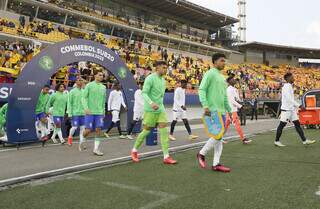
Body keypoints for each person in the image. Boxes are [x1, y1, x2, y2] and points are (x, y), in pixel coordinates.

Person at [130, 60, 177, 164]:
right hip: (150, 110)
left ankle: (166, 156)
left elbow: (160, 96)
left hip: (160, 110)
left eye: (166, 68)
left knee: (164, 131)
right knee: (146, 131)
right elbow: (144, 93)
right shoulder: (150, 78)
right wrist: (151, 103)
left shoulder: (163, 80)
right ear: (157, 68)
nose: (165, 70)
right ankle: (134, 151)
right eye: (163, 67)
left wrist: (160, 105)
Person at [197, 53, 232, 173]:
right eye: (222, 60)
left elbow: (224, 96)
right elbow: (201, 89)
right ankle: (201, 153)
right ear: (215, 62)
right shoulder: (210, 73)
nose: (224, 63)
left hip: (221, 111)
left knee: (219, 137)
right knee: (218, 135)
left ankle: (216, 163)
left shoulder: (222, 77)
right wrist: (205, 105)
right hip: (212, 110)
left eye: (225, 61)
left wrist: (230, 110)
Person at [274, 72, 316, 147]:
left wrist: (295, 107)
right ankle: (276, 141)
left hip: (291, 109)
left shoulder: (289, 86)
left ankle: (304, 140)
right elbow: (289, 99)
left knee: (297, 124)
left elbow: (291, 99)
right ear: (287, 78)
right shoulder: (286, 86)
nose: (293, 78)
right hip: (286, 110)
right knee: (282, 125)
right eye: (292, 77)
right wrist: (299, 105)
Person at [82, 71, 106, 156]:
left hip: (99, 113)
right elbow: (83, 98)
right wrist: (86, 108)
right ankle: (83, 138)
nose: (101, 76)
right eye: (99, 75)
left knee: (98, 130)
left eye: (102, 75)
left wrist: (103, 111)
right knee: (88, 130)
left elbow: (103, 101)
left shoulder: (104, 87)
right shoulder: (89, 85)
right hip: (90, 112)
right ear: (95, 75)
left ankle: (96, 149)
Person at [226, 76, 251, 144]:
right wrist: (241, 106)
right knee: (237, 124)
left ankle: (219, 138)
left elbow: (237, 99)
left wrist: (241, 100)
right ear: (229, 82)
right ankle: (243, 139)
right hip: (231, 110)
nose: (234, 80)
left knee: (226, 125)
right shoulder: (229, 89)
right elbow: (232, 100)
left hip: (232, 110)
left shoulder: (234, 89)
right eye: (232, 79)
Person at [67, 78, 86, 150]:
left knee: (82, 129)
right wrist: (69, 113)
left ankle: (81, 143)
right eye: (79, 80)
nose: (81, 81)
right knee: (74, 127)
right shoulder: (72, 91)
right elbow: (69, 103)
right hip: (75, 113)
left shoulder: (84, 91)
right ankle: (70, 137)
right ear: (76, 82)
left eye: (82, 80)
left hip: (83, 114)